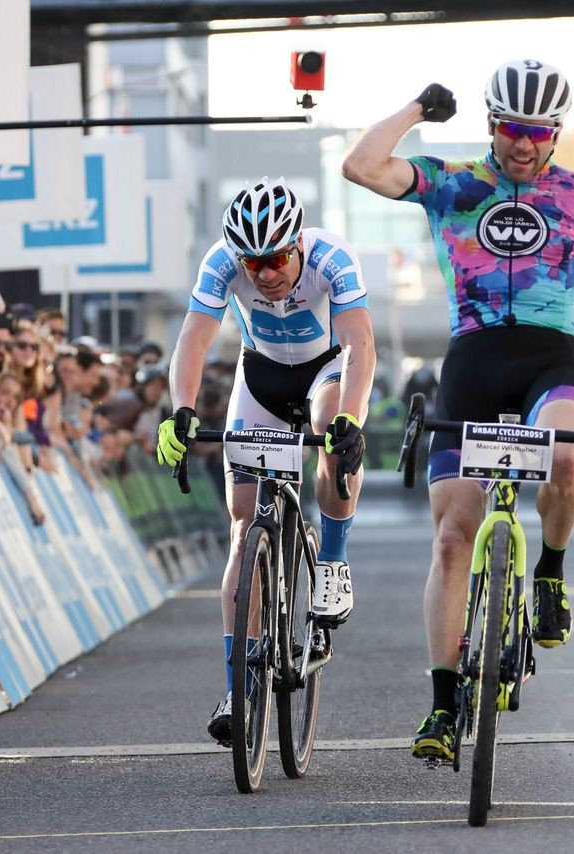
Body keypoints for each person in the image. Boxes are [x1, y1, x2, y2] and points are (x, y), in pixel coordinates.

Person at [342, 59, 574, 762]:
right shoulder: (454, 182)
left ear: (556, 132)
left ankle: (549, 571)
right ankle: (439, 707)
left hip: (549, 358)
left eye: (538, 131)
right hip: (472, 357)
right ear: (491, 124)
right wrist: (414, 110)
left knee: (563, 454)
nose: (523, 144)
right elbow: (361, 166)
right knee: (452, 539)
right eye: (509, 128)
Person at [154, 177, 375, 745]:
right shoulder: (221, 263)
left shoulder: (333, 258)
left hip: (327, 371)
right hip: (262, 378)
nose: (266, 273)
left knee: (330, 428)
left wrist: (352, 416)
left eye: (276, 258)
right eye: (253, 264)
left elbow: (359, 347)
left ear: (297, 243)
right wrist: (180, 409)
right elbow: (193, 341)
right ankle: (239, 684)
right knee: (242, 526)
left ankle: (332, 560)